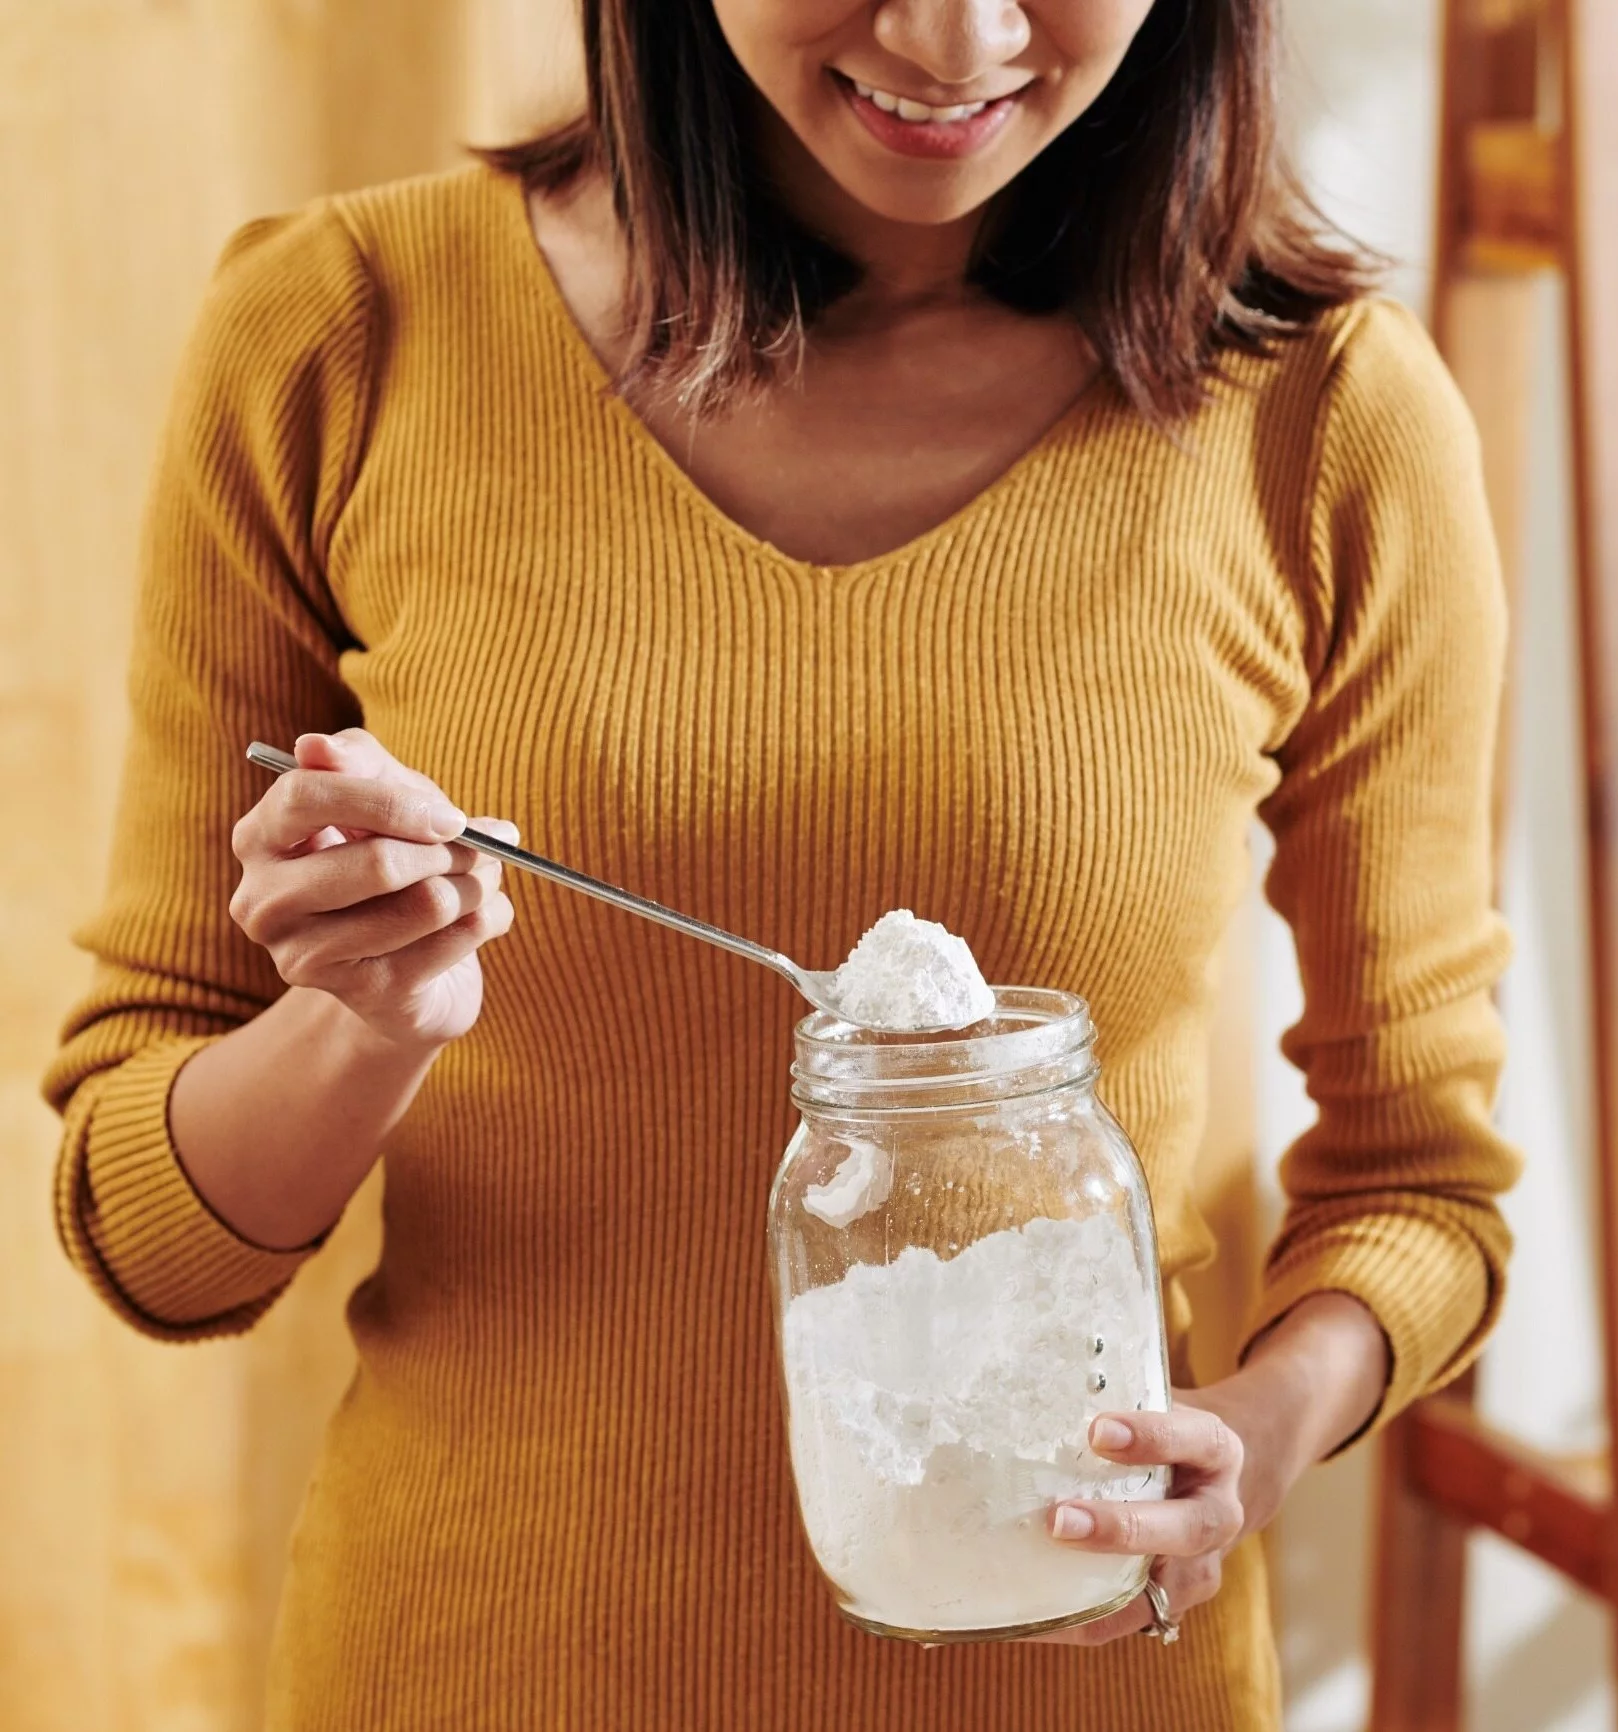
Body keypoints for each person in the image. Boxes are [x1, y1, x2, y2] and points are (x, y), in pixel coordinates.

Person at [45, 1, 1519, 1725]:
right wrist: (360, 1024)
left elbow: (1420, 1185)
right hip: (474, 1669)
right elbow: (153, 1249)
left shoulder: (1330, 415)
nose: (954, 34)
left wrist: (1248, 1448)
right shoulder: (341, 334)